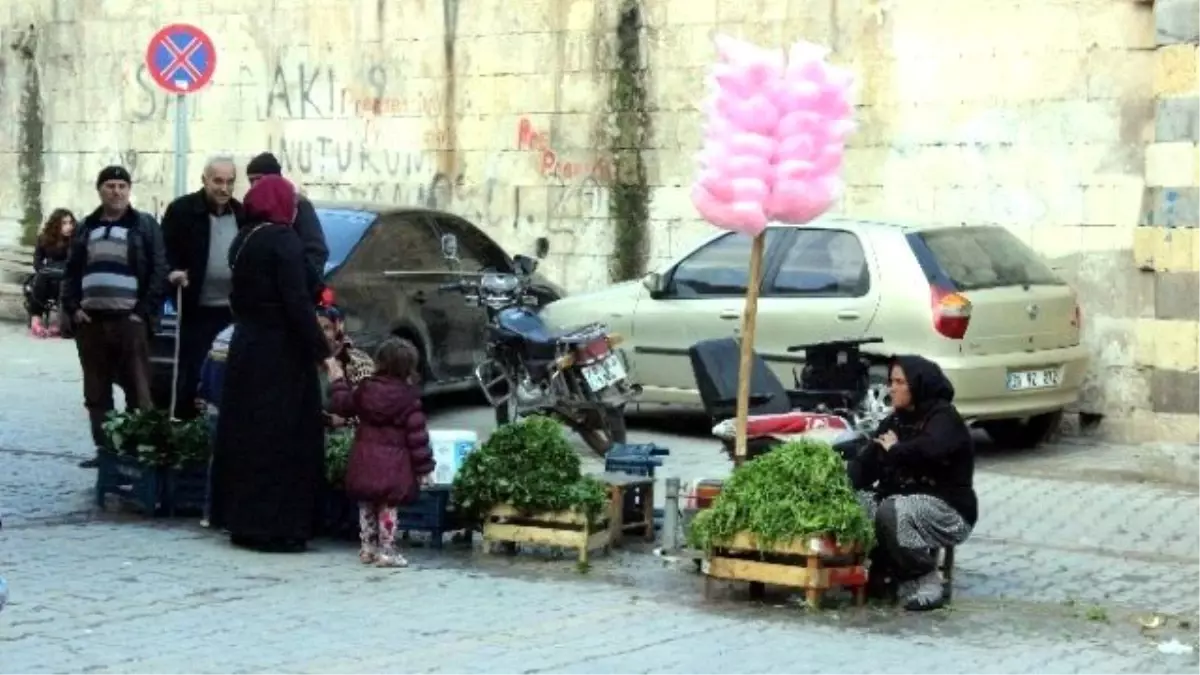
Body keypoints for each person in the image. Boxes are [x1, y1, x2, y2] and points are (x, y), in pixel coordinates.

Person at [210, 174, 331, 553]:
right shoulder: (283, 240)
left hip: (248, 348)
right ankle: (280, 527)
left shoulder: (243, 239)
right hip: (282, 354)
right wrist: (323, 353)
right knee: (283, 439)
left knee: (248, 437)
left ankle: (244, 522)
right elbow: (299, 301)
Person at [848, 355, 976, 612]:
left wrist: (897, 450)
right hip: (899, 502)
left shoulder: (945, 419)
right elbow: (868, 463)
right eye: (890, 382)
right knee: (857, 504)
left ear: (917, 385)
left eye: (899, 382)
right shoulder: (895, 420)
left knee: (894, 510)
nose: (891, 388)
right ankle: (880, 571)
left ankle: (926, 581)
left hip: (948, 509)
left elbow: (929, 450)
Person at [61, 166, 168, 469]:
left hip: (129, 321)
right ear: (100, 190)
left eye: (122, 185)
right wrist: (73, 307)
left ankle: (136, 451)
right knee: (96, 391)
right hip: (91, 321)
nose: (116, 191)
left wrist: (141, 313)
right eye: (110, 185)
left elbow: (158, 269)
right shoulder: (86, 227)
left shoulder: (144, 225)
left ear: (129, 190)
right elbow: (71, 271)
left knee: (138, 388)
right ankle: (106, 450)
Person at [328, 337, 434, 568]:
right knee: (388, 508)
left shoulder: (365, 389)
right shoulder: (409, 398)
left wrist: (338, 381)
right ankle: (387, 552)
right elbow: (417, 438)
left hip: (364, 461)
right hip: (394, 467)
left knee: (366, 505)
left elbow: (343, 405)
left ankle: (367, 549)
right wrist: (424, 469)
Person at [160, 155, 244, 419]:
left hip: (232, 311)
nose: (224, 188)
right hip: (197, 308)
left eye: (230, 182)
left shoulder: (241, 214)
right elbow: (164, 254)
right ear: (204, 180)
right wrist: (171, 273)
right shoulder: (182, 211)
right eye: (218, 181)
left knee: (228, 374)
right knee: (193, 371)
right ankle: (187, 425)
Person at [245, 152, 329, 276]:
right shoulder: (253, 206)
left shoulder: (298, 205)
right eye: (251, 181)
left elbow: (316, 251)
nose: (254, 186)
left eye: (258, 180)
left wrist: (298, 281)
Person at [27, 208, 76, 336]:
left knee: (61, 282)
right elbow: (37, 263)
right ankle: (36, 320)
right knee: (40, 278)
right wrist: (45, 272)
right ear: (56, 225)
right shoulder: (44, 238)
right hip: (48, 277)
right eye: (64, 223)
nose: (69, 227)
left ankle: (57, 322)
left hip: (66, 277)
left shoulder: (76, 240)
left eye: (70, 223)